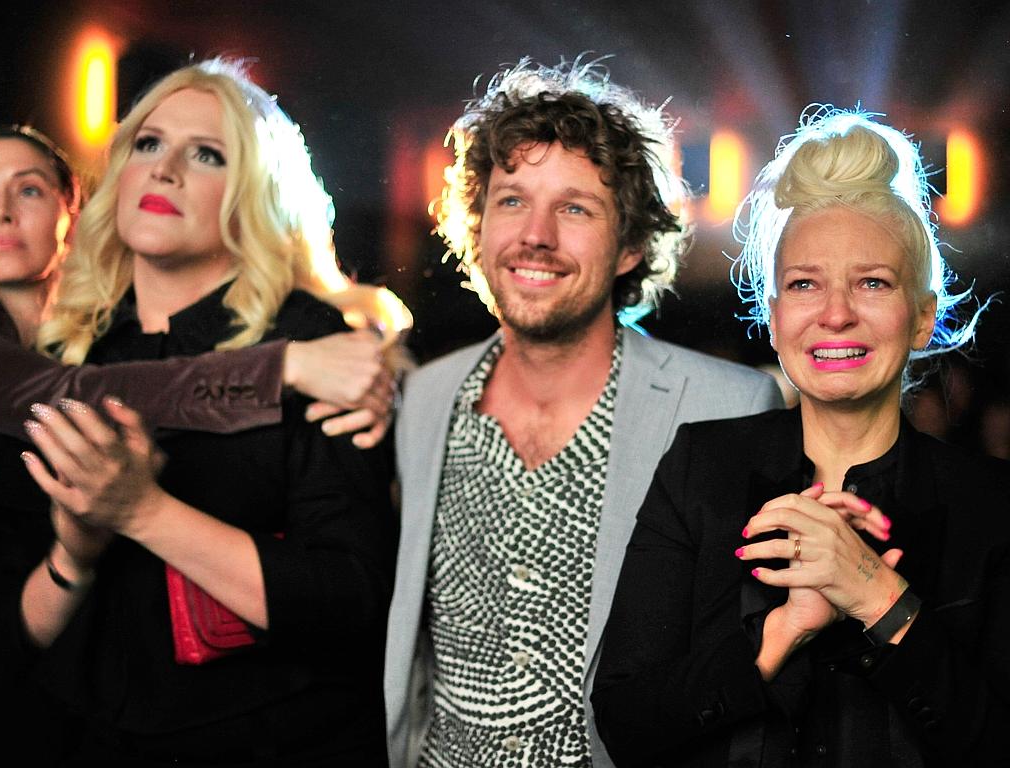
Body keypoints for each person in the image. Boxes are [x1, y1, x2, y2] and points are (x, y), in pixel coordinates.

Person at [384, 57, 783, 768]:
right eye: (511, 200)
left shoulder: (726, 408)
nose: (535, 234)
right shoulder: (424, 397)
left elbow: (737, 670)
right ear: (477, 226)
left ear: (631, 244)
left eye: (573, 207)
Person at [591, 106, 1009, 766]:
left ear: (923, 316)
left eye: (872, 282)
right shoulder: (702, 468)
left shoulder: (991, 504)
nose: (836, 313)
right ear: (776, 314)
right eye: (805, 284)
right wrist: (784, 629)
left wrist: (879, 596)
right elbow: (627, 723)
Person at [13, 58, 398, 765]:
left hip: (268, 742)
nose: (165, 171)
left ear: (255, 193)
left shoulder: (318, 344)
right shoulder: (74, 342)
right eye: (149, 144)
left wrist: (143, 510)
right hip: (79, 736)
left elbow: (353, 601)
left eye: (208, 155)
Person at [0, 127, 403, 447]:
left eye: (28, 189)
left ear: (72, 211)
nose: (0, 213)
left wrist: (364, 383)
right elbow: (71, 398)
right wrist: (283, 368)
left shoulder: (113, 327)